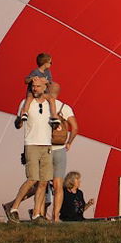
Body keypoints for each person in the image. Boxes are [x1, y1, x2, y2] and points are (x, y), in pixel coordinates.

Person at [3, 75, 55, 223]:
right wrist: (20, 120)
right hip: (31, 144)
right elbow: (17, 125)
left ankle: (37, 214)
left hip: (46, 145)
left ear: (44, 88)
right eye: (33, 86)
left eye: (38, 86)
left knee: (44, 182)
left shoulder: (50, 104)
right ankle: (13, 207)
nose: (35, 89)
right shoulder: (26, 103)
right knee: (32, 179)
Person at [44, 82, 76, 221]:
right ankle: (55, 217)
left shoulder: (41, 105)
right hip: (60, 148)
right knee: (58, 186)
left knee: (42, 183)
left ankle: (39, 213)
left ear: (47, 90)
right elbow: (75, 128)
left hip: (44, 149)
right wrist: (69, 142)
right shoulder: (65, 108)